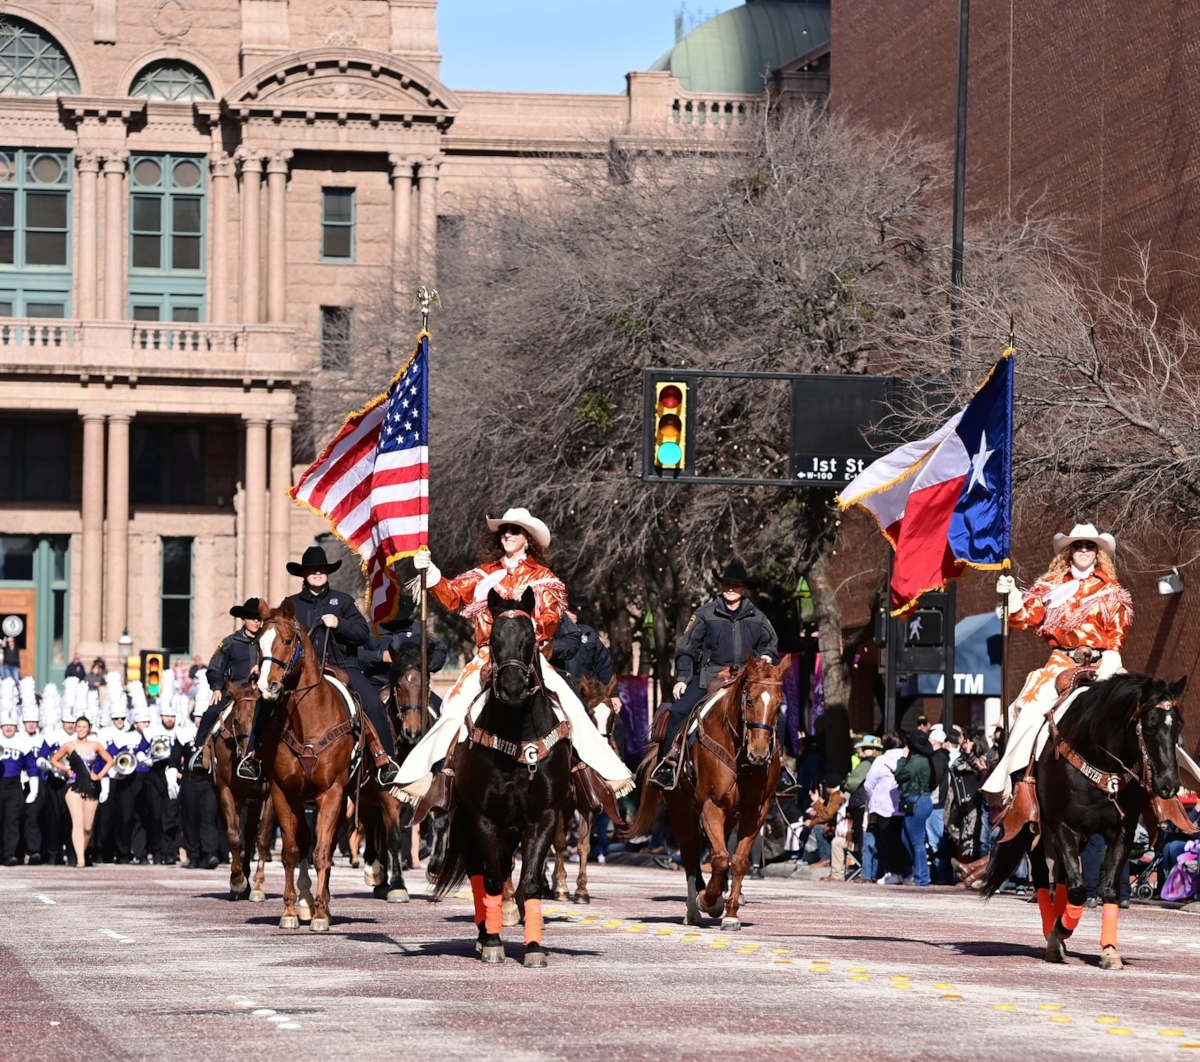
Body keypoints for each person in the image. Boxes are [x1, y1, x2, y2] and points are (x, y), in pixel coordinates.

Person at [392, 507, 634, 803]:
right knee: (453, 709)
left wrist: (530, 625)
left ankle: (601, 776)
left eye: (515, 530)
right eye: (505, 529)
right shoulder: (484, 574)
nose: (507, 534)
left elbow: (552, 617)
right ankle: (425, 778)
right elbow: (453, 595)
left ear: (527, 539)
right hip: (488, 658)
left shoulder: (544, 579)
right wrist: (432, 575)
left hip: (530, 658)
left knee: (573, 707)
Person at [982, 523, 1132, 798]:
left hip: (1104, 662)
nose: (1084, 550)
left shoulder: (1111, 590)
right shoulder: (1049, 588)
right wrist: (1011, 596)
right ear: (1069, 551)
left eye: (1089, 545)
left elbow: (1117, 632)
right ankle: (1012, 783)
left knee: (1142, 709)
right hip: (1061, 663)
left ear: (1098, 552)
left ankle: (1159, 796)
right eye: (1078, 545)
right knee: (1029, 712)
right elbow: (1023, 619)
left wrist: (1112, 656)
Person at [237, 546, 402, 785]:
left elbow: (363, 634)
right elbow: (273, 640)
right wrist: (265, 668)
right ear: (303, 575)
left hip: (343, 665)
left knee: (373, 703)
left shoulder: (343, 602)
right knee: (266, 702)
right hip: (299, 671)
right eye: (312, 570)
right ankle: (253, 757)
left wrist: (339, 623)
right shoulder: (291, 605)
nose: (317, 573)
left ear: (327, 573)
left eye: (321, 570)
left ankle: (385, 761)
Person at [648, 561, 787, 791]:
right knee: (678, 712)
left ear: (744, 589)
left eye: (736, 585)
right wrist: (683, 678)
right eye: (727, 584)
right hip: (709, 677)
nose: (731, 588)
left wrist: (766, 658)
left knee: (771, 711)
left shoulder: (758, 617)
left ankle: (780, 768)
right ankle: (668, 764)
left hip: (747, 679)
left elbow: (770, 645)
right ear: (721, 586)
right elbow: (686, 648)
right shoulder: (704, 614)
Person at [187, 598, 263, 774]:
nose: (256, 622)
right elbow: (214, 668)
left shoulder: (266, 640)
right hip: (233, 692)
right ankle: (199, 751)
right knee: (212, 712)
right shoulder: (230, 642)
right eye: (252, 618)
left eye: (259, 618)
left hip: (260, 693)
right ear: (243, 619)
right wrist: (216, 687)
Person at [49, 714, 113, 868]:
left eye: (84, 727)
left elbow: (110, 760)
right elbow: (53, 759)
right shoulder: (69, 745)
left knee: (88, 827)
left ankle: (81, 852)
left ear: (89, 728)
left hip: (90, 786)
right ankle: (80, 860)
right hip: (73, 785)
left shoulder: (95, 745)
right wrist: (66, 769)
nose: (81, 729)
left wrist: (99, 775)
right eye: (78, 727)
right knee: (77, 822)